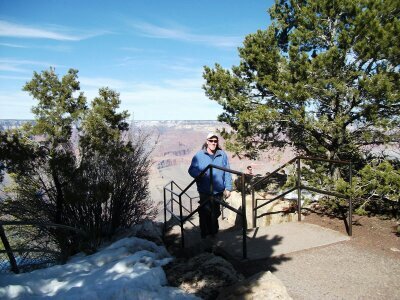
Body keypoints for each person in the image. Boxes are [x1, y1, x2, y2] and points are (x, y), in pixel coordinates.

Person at [188, 132, 232, 241]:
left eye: (215, 141)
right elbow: (191, 169)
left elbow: (227, 172)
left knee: (216, 212)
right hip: (204, 190)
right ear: (207, 142)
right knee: (205, 212)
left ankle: (214, 232)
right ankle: (205, 234)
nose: (213, 143)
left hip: (218, 190)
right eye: (211, 141)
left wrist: (228, 187)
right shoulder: (199, 155)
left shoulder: (222, 155)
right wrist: (199, 174)